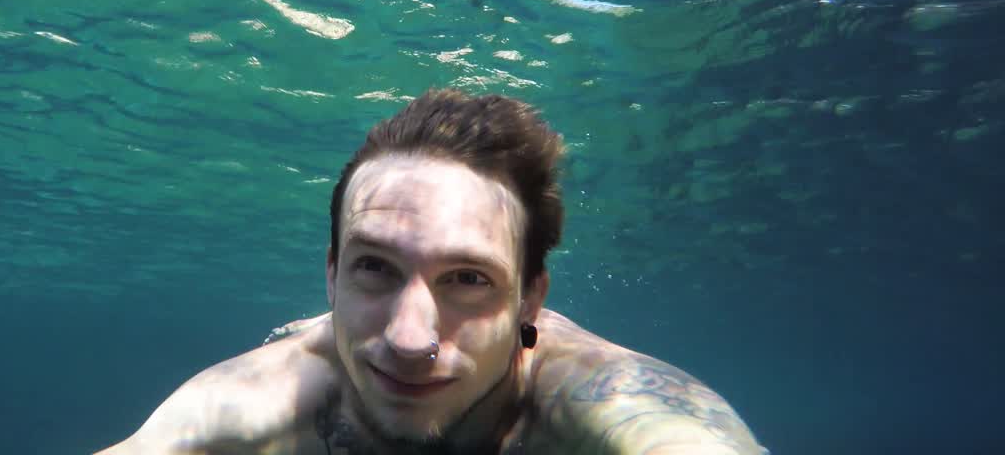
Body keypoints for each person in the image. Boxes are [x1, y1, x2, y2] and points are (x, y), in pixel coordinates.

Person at [96, 89, 766, 454]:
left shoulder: (589, 402)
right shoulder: (266, 404)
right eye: (373, 266)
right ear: (330, 275)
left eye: (468, 279)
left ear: (530, 299)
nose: (410, 339)